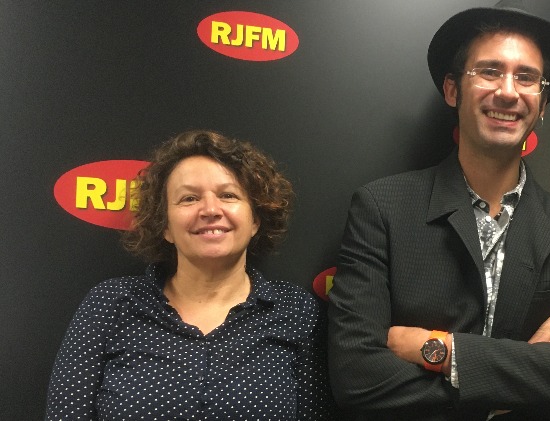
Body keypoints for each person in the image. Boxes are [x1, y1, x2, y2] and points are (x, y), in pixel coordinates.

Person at [327, 3, 550, 420]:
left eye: (526, 77)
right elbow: (357, 377)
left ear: (543, 102)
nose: (508, 91)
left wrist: (442, 350)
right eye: (489, 71)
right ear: (452, 90)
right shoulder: (382, 208)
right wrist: (518, 378)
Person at [45, 130, 335, 420]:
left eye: (228, 195)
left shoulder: (295, 310)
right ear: (165, 226)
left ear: (255, 220)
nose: (210, 209)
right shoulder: (111, 303)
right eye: (189, 198)